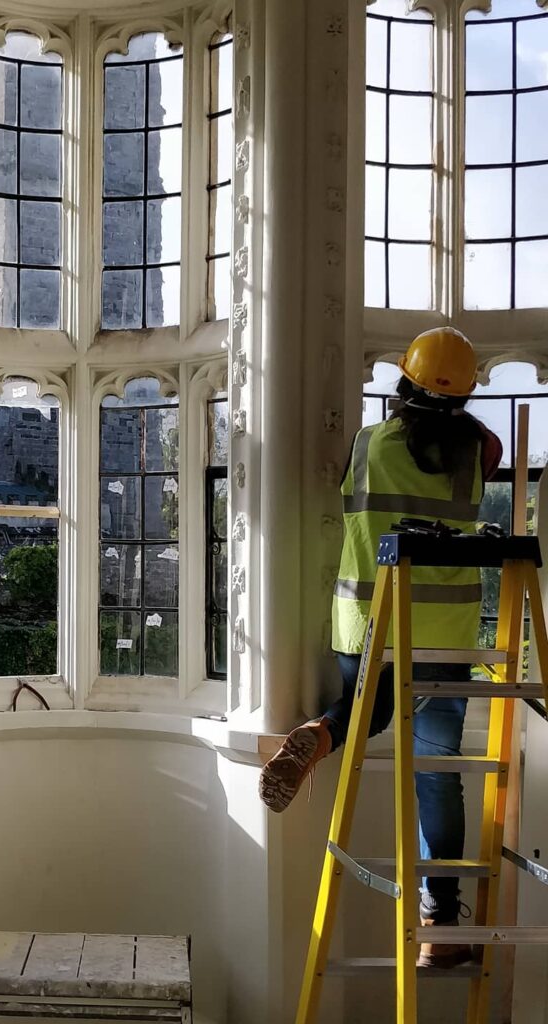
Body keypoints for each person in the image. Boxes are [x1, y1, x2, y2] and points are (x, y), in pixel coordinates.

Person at [258, 327, 502, 969]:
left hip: (367, 621)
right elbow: (483, 455)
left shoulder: (368, 443)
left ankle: (324, 733)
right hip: (443, 637)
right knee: (438, 774)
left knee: (373, 710)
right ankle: (441, 916)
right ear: (467, 391)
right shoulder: (483, 449)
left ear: (404, 380)